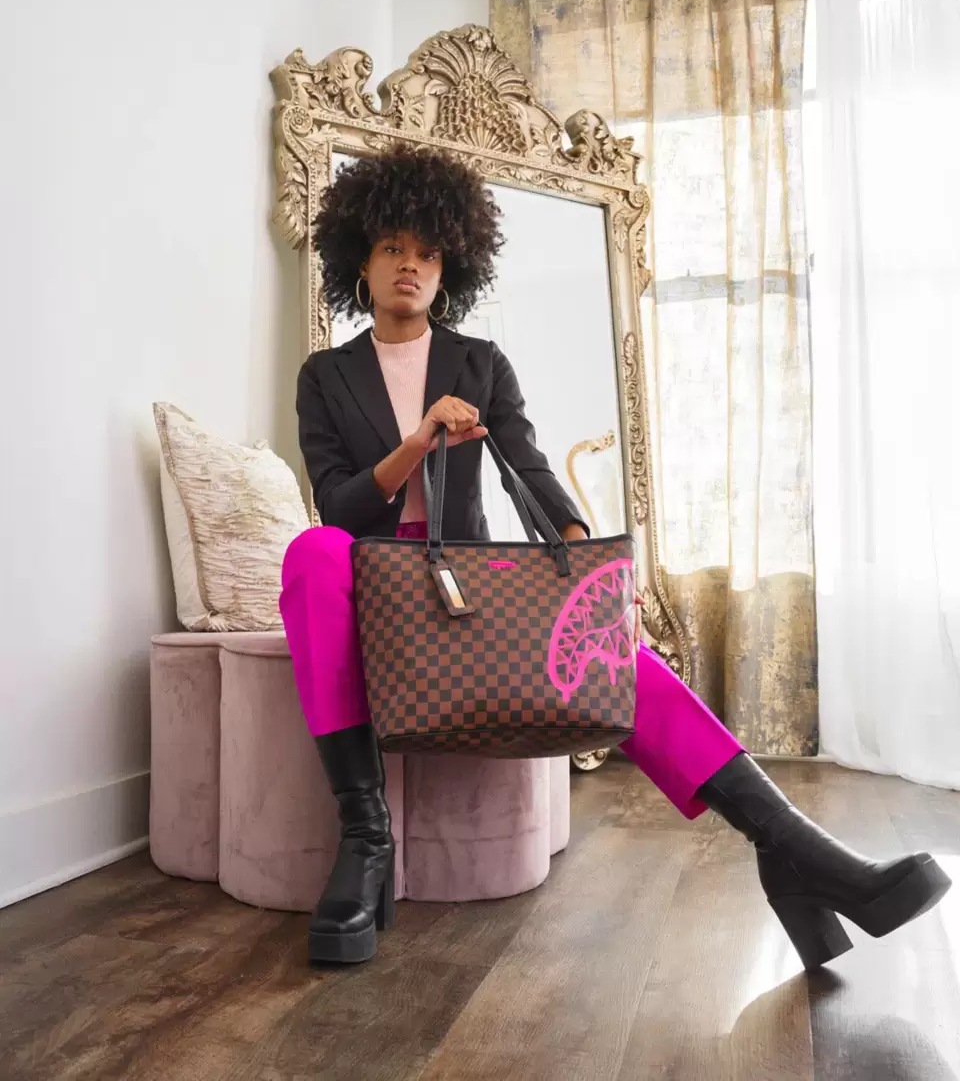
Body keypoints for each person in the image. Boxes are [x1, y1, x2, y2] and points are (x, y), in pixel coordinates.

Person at [279, 145, 951, 970]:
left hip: (462, 586)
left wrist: (596, 578)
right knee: (312, 550)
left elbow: (530, 471)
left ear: (450, 266)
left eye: (427, 251)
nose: (409, 264)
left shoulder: (478, 362)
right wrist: (419, 440)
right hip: (370, 577)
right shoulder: (326, 374)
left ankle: (794, 849)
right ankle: (365, 839)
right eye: (391, 248)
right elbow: (340, 504)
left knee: (607, 649)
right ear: (361, 260)